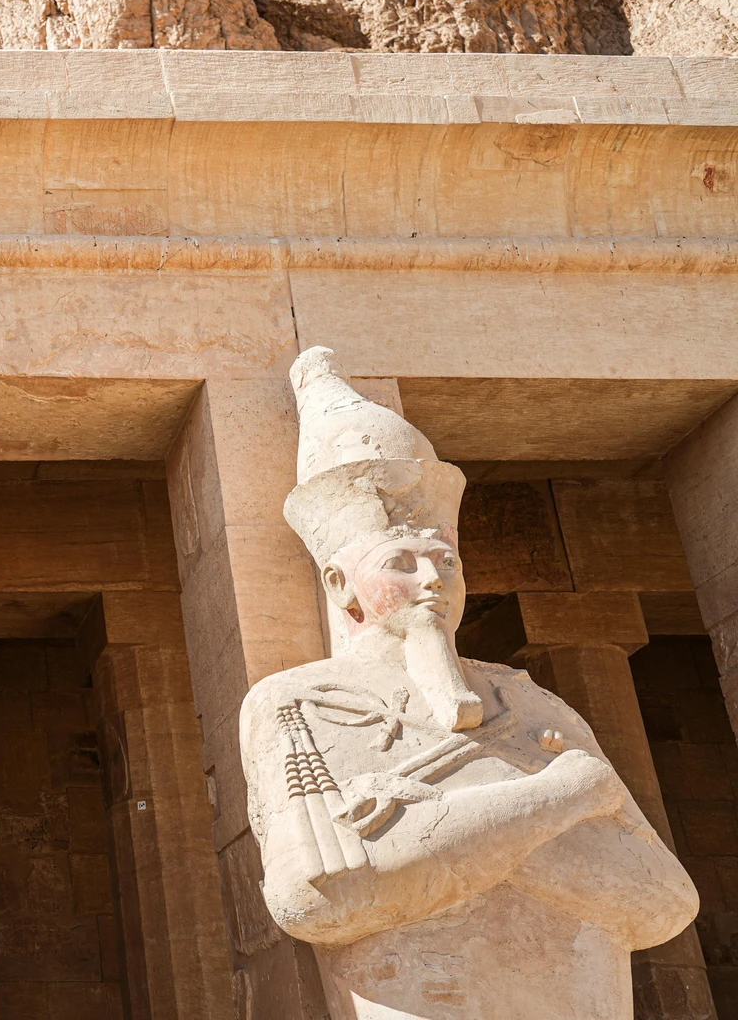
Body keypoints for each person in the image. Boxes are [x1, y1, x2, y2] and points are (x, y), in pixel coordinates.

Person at [240, 346, 698, 1019]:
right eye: (401, 562)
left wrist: (432, 830)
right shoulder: (298, 703)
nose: (432, 579)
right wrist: (557, 797)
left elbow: (663, 903)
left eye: (446, 561)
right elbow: (320, 898)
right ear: (342, 584)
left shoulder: (530, 699)